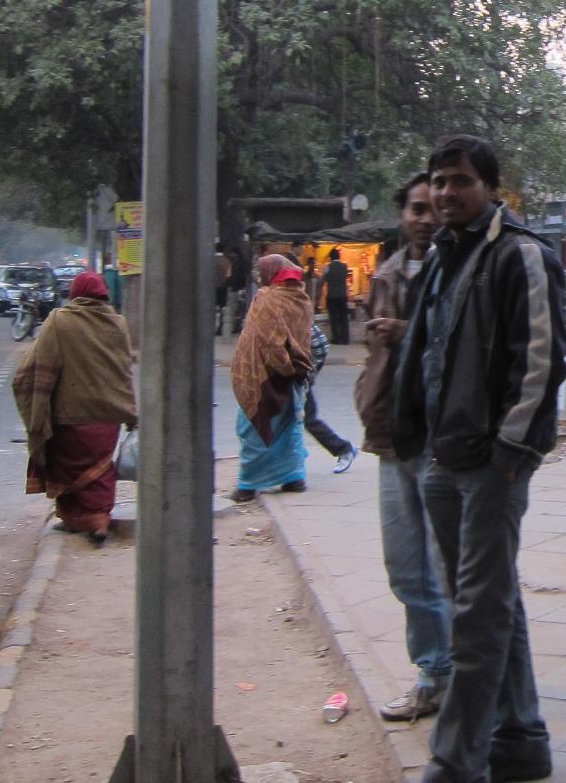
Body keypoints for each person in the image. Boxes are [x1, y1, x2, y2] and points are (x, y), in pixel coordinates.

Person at [392, 136, 566, 783]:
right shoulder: (444, 256)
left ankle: (456, 761)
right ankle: (521, 740)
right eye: (438, 181)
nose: (445, 193)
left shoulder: (522, 255)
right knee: (491, 603)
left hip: (493, 464)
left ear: (491, 188)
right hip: (442, 457)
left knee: (475, 616)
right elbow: (428, 352)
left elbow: (542, 363)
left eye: (460, 181)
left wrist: (511, 452)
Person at [356, 171, 453, 722]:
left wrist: (407, 331)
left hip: (439, 439)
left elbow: (463, 347)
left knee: (447, 568)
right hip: (392, 436)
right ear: (403, 214)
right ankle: (432, 671)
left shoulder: (458, 269)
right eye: (415, 208)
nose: (425, 218)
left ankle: (460, 676)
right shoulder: (387, 272)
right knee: (405, 568)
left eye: (431, 208)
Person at [12, 272, 137, 544]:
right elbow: (123, 372)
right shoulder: (118, 323)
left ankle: (78, 519)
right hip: (109, 420)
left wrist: (35, 405)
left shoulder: (60, 321)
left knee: (67, 468)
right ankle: (99, 518)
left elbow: (36, 367)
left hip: (70, 419)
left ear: (75, 293)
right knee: (100, 471)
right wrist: (131, 412)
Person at [228, 254, 315, 503]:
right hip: (294, 374)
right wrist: (290, 367)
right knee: (289, 427)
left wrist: (280, 364)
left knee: (252, 428)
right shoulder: (301, 298)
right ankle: (294, 477)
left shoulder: (267, 298)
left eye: (261, 271)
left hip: (263, 375)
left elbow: (266, 341)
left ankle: (248, 484)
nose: (259, 277)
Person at [301, 321, 359, 473]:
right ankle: (290, 461)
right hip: (282, 380)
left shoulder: (294, 315)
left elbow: (320, 345)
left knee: (308, 420)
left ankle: (343, 449)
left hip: (296, 379)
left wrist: (308, 372)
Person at [324, 247, 352, 345]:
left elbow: (325, 279)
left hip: (332, 296)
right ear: (339, 256)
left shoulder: (328, 267)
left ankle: (336, 338)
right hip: (343, 295)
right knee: (344, 317)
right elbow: (345, 278)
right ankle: (345, 338)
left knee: (334, 318)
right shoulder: (344, 266)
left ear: (330, 257)